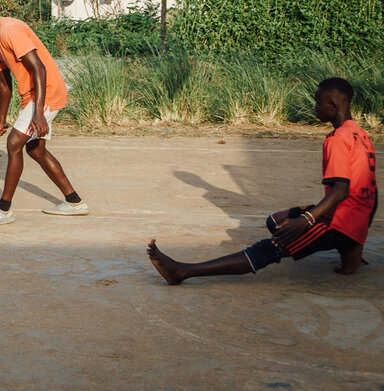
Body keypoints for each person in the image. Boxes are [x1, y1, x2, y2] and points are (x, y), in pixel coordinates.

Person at [148, 77, 377, 284]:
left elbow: (341, 191)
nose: (315, 108)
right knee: (275, 221)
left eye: (318, 103)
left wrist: (307, 220)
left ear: (333, 106)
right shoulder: (359, 133)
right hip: (357, 214)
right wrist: (359, 233)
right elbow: (371, 191)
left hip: (340, 220)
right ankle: (350, 248)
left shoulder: (337, 140)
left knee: (273, 245)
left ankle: (182, 272)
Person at [0, 0, 87, 226]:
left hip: (46, 93)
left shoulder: (10, 30)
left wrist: (38, 112)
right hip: (32, 96)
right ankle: (74, 202)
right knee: (36, 150)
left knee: (14, 143)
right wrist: (1, 119)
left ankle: (3, 210)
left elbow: (39, 68)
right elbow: (4, 82)